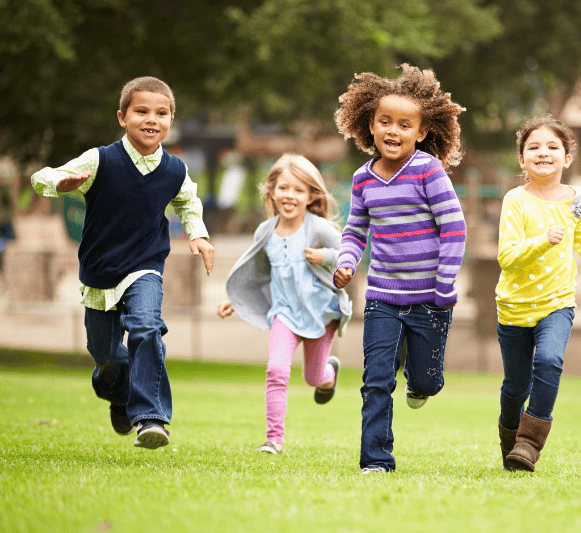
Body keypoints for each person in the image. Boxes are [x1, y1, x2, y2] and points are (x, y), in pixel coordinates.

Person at [31, 76, 215, 449]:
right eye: (142, 111)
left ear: (171, 119)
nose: (152, 119)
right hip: (100, 270)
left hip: (145, 266)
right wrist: (62, 185)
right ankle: (119, 394)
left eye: (162, 113)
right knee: (106, 358)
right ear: (122, 116)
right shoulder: (100, 159)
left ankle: (151, 419)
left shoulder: (175, 170)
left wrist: (198, 234)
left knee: (147, 327)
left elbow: (188, 203)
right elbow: (42, 177)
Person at [332, 63, 467, 473]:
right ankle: (376, 460)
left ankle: (421, 375)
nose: (394, 131)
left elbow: (454, 228)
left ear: (421, 132)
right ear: (368, 125)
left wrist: (444, 284)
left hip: (430, 298)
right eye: (385, 122)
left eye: (404, 125)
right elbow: (356, 231)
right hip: (383, 298)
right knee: (376, 380)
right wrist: (345, 262)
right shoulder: (362, 179)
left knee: (425, 382)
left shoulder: (428, 171)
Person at [217, 154, 352, 454]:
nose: (289, 195)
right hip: (284, 315)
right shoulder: (265, 232)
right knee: (277, 370)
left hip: (320, 314)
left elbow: (348, 253)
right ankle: (274, 439)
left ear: (311, 196)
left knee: (313, 377)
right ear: (272, 192)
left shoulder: (317, 228)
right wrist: (235, 300)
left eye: (298, 190)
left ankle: (328, 373)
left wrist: (325, 258)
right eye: (283, 188)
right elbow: (258, 274)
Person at [495, 115, 581, 472]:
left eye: (553, 147)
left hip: (557, 302)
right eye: (534, 147)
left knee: (549, 361)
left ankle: (529, 443)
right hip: (514, 306)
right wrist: (543, 241)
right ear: (522, 159)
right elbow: (506, 257)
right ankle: (510, 437)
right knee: (515, 386)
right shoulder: (515, 201)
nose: (544, 152)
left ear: (567, 158)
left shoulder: (577, 197)